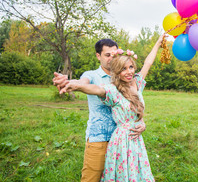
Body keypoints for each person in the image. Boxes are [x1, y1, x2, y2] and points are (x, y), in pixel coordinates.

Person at [59, 34, 166, 181]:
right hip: (112, 140)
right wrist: (74, 85)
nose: (129, 71)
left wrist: (158, 43)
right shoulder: (112, 89)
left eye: (130, 67)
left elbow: (148, 63)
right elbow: (94, 88)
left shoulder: (137, 83)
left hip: (134, 141)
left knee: (136, 175)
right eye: (124, 69)